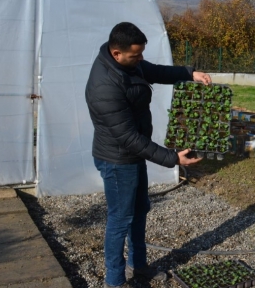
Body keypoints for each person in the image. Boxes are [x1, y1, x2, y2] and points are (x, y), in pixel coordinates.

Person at [85, 22, 211, 288]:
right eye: (136, 55)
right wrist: (173, 159)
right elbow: (129, 138)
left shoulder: (129, 64)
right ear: (116, 53)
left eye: (141, 53)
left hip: (132, 156)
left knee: (140, 210)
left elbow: (155, 71)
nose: (141, 59)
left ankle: (138, 266)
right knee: (121, 219)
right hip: (118, 160)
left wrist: (190, 73)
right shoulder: (104, 86)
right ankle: (115, 281)